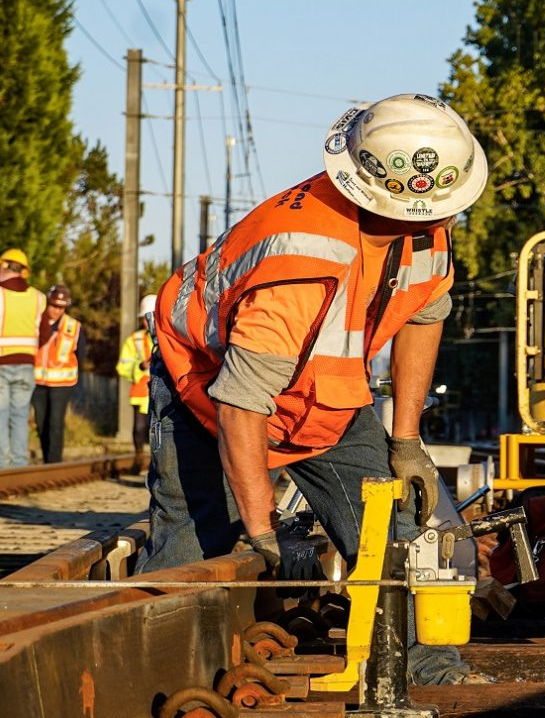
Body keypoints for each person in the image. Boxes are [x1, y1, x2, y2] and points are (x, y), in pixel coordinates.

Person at [135, 93, 488, 685]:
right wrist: (262, 531)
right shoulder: (300, 261)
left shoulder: (427, 229)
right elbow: (241, 403)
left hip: (327, 399)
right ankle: (156, 672)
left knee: (391, 534)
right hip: (208, 390)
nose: (449, 217)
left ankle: (423, 667)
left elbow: (426, 312)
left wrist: (406, 441)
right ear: (389, 203)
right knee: (192, 557)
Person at [0, 248, 46, 467]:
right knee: (19, 415)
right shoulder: (38, 297)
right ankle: (19, 465)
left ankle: (2, 464)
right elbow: (44, 333)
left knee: (1, 414)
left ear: (5, 266)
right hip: (27, 364)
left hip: (1, 363)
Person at [33, 285, 83, 463]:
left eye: (61, 307)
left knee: (55, 424)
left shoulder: (73, 326)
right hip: (38, 382)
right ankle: (47, 459)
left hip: (62, 384)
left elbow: (81, 355)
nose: (56, 310)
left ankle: (53, 463)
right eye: (54, 306)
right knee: (41, 424)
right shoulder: (36, 323)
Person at [116, 294, 156, 473]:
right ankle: (139, 458)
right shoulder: (134, 340)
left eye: (150, 317)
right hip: (141, 393)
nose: (148, 322)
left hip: (162, 394)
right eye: (144, 318)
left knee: (157, 431)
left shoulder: (169, 336)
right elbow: (122, 366)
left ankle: (157, 462)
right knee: (139, 429)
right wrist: (139, 367)